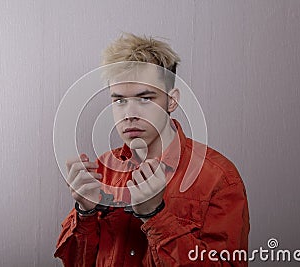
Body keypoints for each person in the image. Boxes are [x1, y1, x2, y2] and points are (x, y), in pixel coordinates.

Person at [54, 33, 250, 266]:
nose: (129, 114)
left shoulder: (219, 178)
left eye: (145, 98)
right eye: (119, 100)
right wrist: (84, 212)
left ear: (172, 100)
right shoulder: (102, 170)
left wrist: (155, 215)